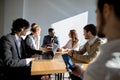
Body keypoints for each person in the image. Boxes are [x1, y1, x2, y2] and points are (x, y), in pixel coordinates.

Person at [84, 0, 120, 80]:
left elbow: (89, 59)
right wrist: (83, 74)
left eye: (97, 13)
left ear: (106, 10)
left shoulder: (98, 71)